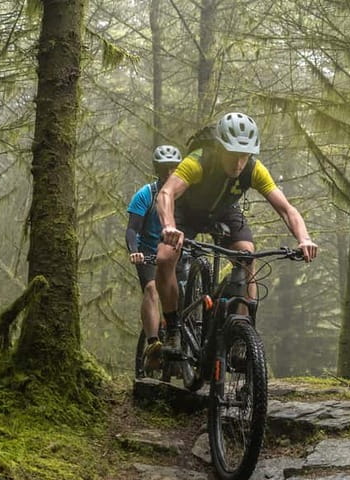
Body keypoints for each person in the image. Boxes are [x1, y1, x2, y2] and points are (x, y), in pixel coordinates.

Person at [155, 111, 318, 352]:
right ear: (220, 148)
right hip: (186, 211)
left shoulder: (254, 169)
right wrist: (169, 226)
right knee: (165, 257)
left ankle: (242, 332)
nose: (238, 163)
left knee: (247, 255)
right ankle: (172, 328)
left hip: (224, 210)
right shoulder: (200, 161)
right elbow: (166, 194)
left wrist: (304, 239)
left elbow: (286, 209)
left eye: (245, 155)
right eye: (232, 154)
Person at [126, 144, 183, 370]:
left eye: (173, 168)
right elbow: (132, 229)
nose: (169, 173)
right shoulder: (145, 195)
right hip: (149, 253)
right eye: (164, 168)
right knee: (152, 289)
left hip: (178, 251)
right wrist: (134, 251)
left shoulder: (186, 194)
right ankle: (153, 344)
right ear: (157, 169)